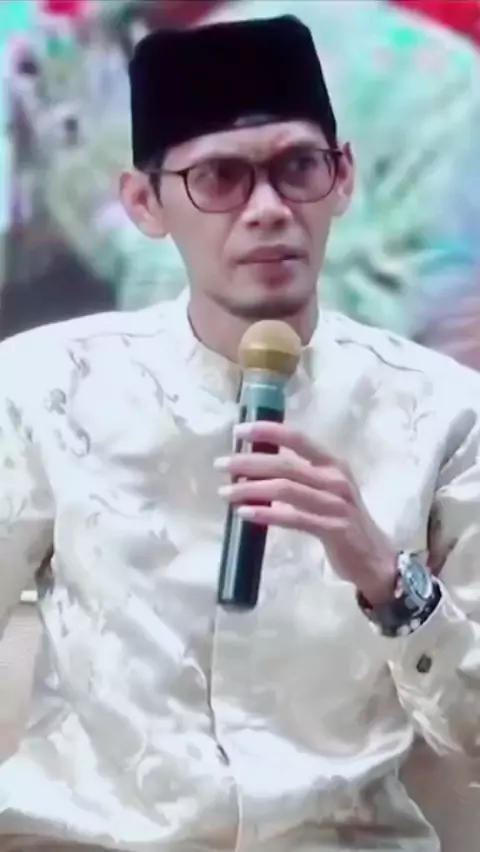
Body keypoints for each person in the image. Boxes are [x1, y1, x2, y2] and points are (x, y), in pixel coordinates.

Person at [1, 15, 480, 852]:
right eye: (220, 178)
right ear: (144, 204)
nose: (267, 211)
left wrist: (386, 577)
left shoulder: (446, 410)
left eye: (298, 168)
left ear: (342, 179)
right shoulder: (44, 388)